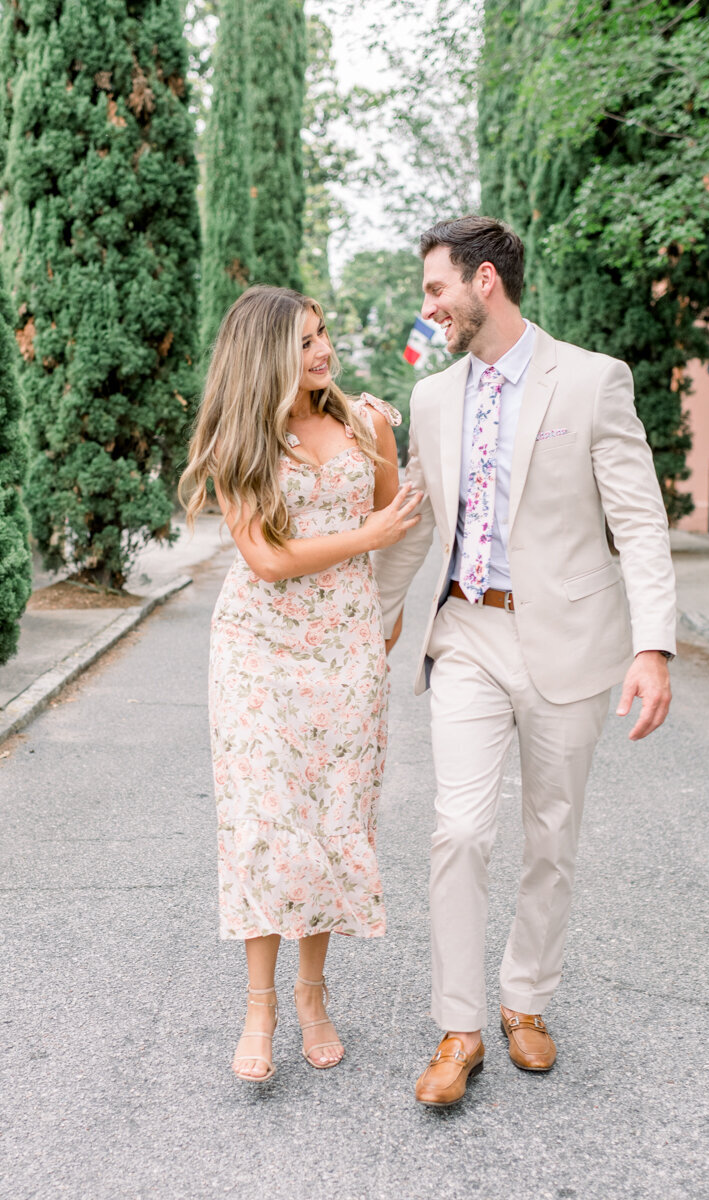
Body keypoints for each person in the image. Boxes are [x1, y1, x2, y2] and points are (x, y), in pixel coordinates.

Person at [373, 216, 676, 1107]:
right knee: (458, 829)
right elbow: (417, 523)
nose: (426, 308)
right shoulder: (432, 397)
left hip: (570, 642)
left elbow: (641, 521)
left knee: (552, 834)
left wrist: (652, 645)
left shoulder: (590, 381)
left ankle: (526, 1000)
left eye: (436, 289)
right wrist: (374, 615)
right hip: (465, 632)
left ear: (484, 285)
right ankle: (459, 1025)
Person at [181, 286, 421, 1083]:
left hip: (346, 650)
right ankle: (260, 1006)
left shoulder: (368, 422)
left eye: (325, 336)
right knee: (265, 822)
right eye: (306, 341)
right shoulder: (241, 442)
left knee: (328, 822)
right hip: (259, 649)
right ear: (267, 354)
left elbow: (397, 523)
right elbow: (268, 560)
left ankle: (313, 996)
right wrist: (369, 537)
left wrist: (383, 616)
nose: (324, 352)